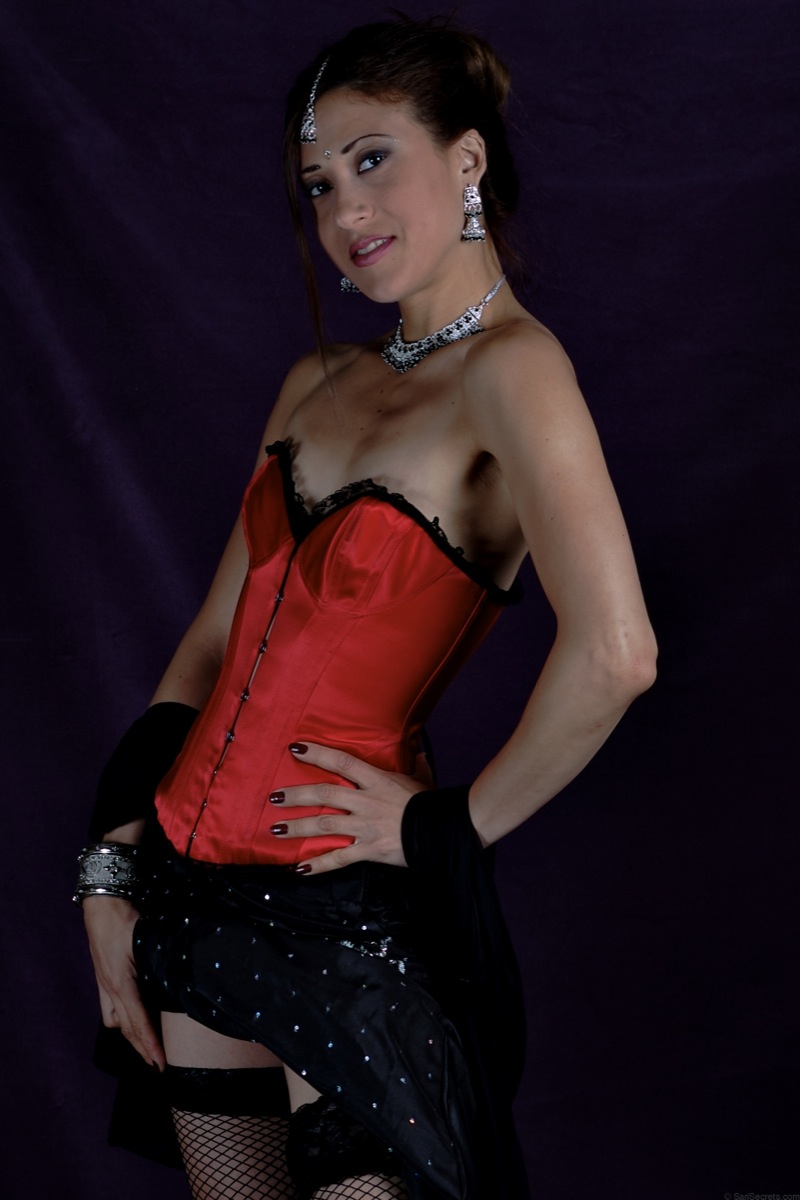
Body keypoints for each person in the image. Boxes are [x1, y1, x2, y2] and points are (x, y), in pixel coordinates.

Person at [77, 17, 657, 1200]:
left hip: (343, 925)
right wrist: (110, 865)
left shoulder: (512, 373)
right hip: (191, 899)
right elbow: (211, 645)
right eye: (318, 183)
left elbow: (614, 654)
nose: (345, 210)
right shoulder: (316, 382)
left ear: (467, 157)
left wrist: (446, 828)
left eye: (372, 158)